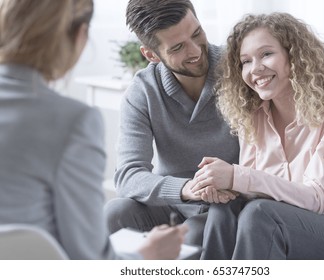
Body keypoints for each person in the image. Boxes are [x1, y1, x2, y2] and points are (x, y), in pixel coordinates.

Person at [104, 0, 324, 248]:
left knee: (215, 225)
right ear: (151, 54)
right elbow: (128, 176)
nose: (195, 50)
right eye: (177, 47)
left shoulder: (239, 67)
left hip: (229, 203)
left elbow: (321, 107)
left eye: (197, 33)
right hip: (188, 198)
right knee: (114, 213)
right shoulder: (143, 91)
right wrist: (187, 189)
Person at [191, 12, 324, 259]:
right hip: (289, 231)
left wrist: (235, 175)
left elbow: (317, 198)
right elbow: (252, 190)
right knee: (225, 210)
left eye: (266, 54)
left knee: (260, 214)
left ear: (294, 55)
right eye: (245, 61)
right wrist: (225, 188)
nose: (256, 69)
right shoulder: (252, 118)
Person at [0, 0, 187, 260]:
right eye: (177, 46)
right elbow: (91, 261)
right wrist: (147, 255)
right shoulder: (73, 121)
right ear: (80, 35)